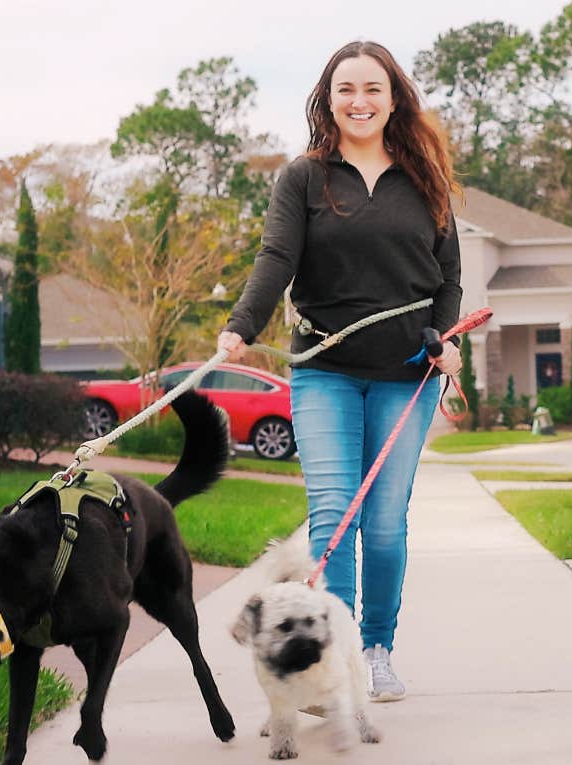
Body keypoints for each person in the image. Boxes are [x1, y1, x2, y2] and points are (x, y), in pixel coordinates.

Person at [218, 40, 462, 703]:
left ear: (394, 98)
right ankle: (337, 658)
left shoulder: (426, 179)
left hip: (406, 377)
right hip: (323, 371)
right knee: (333, 517)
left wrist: (447, 339)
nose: (359, 101)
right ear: (328, 99)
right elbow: (275, 258)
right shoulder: (303, 178)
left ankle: (376, 650)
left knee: (385, 526)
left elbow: (448, 279)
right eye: (345, 89)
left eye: (372, 89)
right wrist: (241, 326)